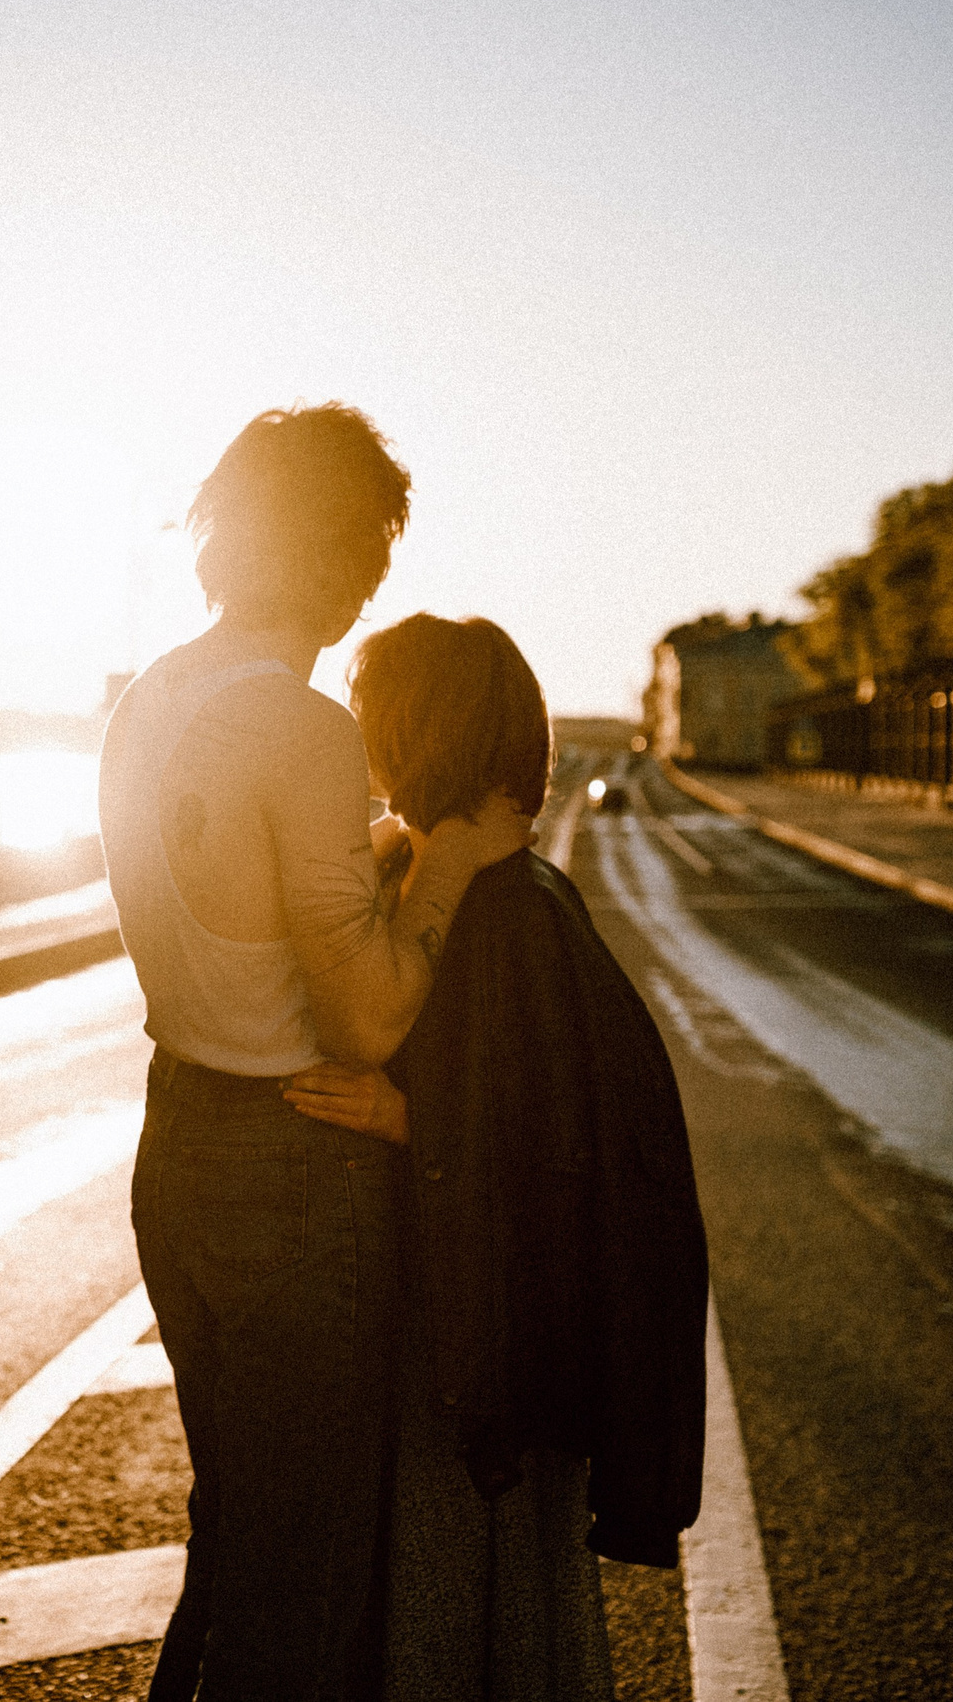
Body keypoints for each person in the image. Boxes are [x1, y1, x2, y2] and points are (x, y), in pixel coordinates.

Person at [98, 405, 532, 1701]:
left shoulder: (148, 697)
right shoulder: (300, 726)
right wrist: (446, 855)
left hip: (175, 1137)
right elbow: (373, 1019)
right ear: (356, 558)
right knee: (308, 1585)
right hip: (291, 1165)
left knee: (233, 1538)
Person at [284, 614, 711, 1701]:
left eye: (369, 717)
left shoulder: (510, 914)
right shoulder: (469, 886)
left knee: (467, 1626)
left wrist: (407, 1125)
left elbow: (571, 1154)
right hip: (471, 1348)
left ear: (417, 735)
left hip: (479, 1366)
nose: (355, 742)